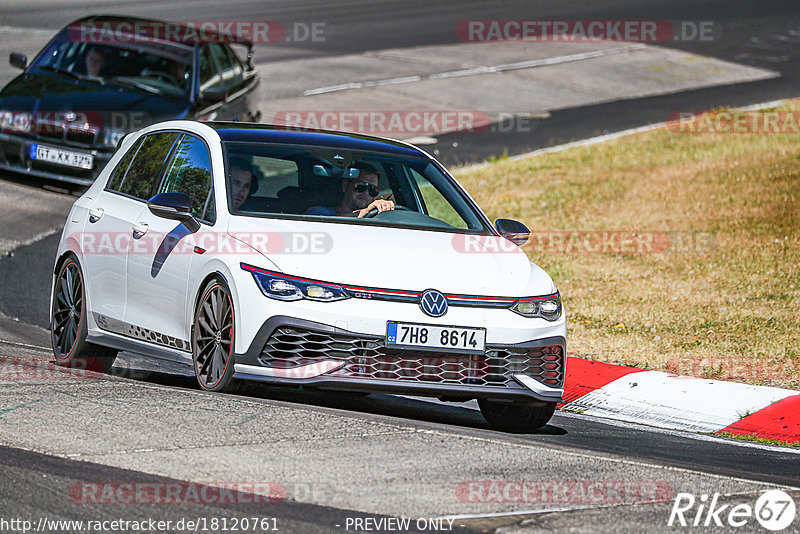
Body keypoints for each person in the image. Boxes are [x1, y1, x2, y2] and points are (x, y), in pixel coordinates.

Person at [306, 162, 394, 218]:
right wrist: (366, 211)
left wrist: (385, 208)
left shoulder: (377, 216)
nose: (366, 193)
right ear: (345, 186)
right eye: (360, 186)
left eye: (372, 190)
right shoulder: (318, 211)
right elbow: (327, 223)